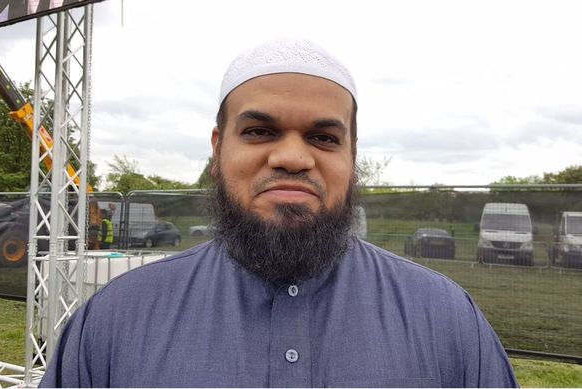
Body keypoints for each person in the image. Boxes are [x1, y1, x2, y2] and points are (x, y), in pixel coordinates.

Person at [39, 38, 518, 387]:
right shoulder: (116, 318)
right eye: (260, 132)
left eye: (324, 138)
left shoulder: (446, 317)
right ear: (217, 148)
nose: (293, 157)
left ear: (352, 157)